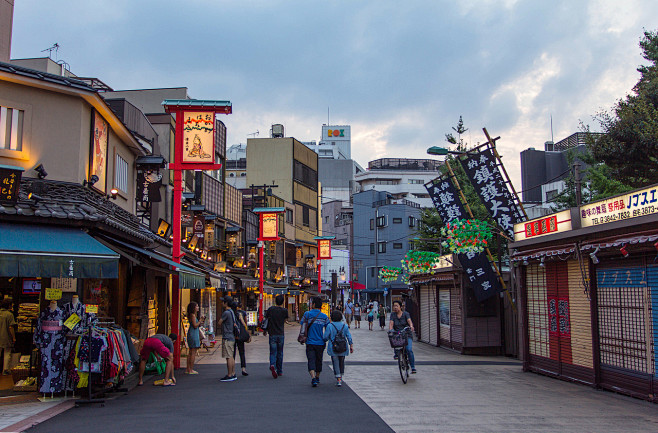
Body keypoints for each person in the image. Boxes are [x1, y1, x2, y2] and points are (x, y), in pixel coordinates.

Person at [300, 297, 330, 387]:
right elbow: (328, 329)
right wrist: (325, 339)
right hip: (320, 343)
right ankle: (317, 376)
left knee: (311, 359)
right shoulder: (324, 317)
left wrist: (302, 337)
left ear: (313, 304)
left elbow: (302, 326)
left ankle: (313, 378)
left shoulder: (307, 314)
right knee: (319, 360)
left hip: (310, 342)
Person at [323, 310, 353, 387]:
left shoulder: (330, 326)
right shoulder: (345, 326)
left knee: (335, 361)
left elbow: (325, 337)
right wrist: (351, 345)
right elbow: (349, 336)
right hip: (343, 347)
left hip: (333, 347)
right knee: (342, 361)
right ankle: (341, 375)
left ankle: (338, 378)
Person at [389, 300, 416, 374]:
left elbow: (409, 320)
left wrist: (411, 326)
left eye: (397, 306)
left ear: (401, 307)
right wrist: (390, 330)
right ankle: (397, 354)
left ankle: (413, 367)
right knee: (394, 341)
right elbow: (391, 324)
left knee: (409, 349)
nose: (395, 307)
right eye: (394, 306)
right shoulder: (393, 315)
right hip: (398, 334)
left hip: (406, 334)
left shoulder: (406, 314)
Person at [265, 294, 288, 378]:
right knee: (280, 352)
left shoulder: (271, 309)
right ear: (282, 302)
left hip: (272, 333)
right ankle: (280, 370)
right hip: (280, 333)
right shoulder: (284, 310)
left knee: (273, 351)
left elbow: (266, 319)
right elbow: (285, 320)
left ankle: (272, 365)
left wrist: (265, 330)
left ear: (275, 301)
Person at [218, 300, 238, 382]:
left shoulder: (226, 313)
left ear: (226, 303)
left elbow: (219, 323)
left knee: (228, 356)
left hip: (227, 337)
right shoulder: (232, 312)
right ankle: (233, 373)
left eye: (223, 301)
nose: (222, 303)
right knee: (231, 355)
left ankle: (229, 375)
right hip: (232, 336)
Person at [185, 302, 204, 374]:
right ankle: (191, 369)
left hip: (192, 333)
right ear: (193, 308)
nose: (198, 307)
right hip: (193, 333)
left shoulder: (191, 315)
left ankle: (188, 368)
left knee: (190, 352)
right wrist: (200, 320)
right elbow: (195, 325)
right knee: (193, 352)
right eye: (197, 306)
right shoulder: (192, 315)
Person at [233, 301, 250, 376]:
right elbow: (245, 322)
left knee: (233, 353)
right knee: (242, 352)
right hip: (241, 334)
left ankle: (232, 370)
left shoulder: (233, 313)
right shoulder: (243, 313)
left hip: (234, 334)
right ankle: (243, 368)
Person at [0, 299, 16, 375]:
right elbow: (11, 327)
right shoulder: (9, 315)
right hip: (5, 336)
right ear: (9, 305)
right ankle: (5, 370)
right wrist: (13, 337)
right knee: (7, 352)